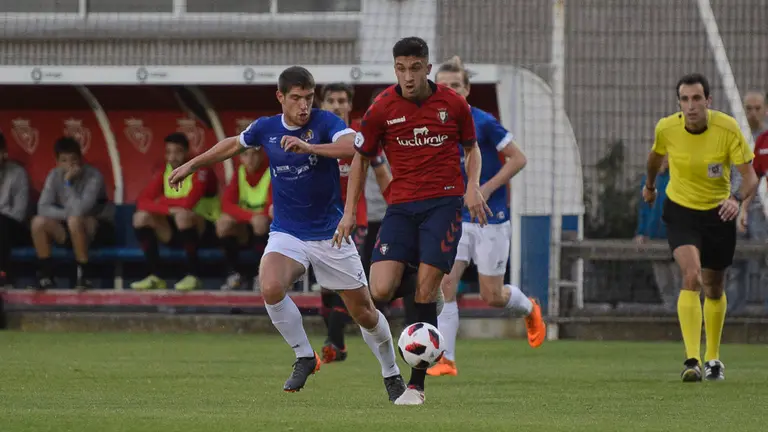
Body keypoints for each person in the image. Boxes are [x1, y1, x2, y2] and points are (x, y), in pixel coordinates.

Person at [166, 66, 406, 401]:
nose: (304, 105)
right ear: (280, 97)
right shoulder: (265, 127)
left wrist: (311, 149)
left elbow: (354, 147)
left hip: (329, 235)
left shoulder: (325, 123)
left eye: (308, 98)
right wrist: (192, 164)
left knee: (364, 312)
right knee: (270, 285)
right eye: (296, 98)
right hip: (288, 233)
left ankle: (391, 373)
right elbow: (233, 145)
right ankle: (305, 355)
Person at [335, 37, 490, 405]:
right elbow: (360, 158)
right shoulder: (381, 108)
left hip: (444, 205)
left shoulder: (453, 104)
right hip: (402, 208)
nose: (407, 76)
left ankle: (416, 386)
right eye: (401, 69)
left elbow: (472, 149)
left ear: (427, 68)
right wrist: (347, 211)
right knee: (381, 289)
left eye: (414, 68)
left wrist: (472, 187)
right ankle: (428, 281)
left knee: (421, 292)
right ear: (395, 69)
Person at [427, 56, 545, 378]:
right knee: (446, 283)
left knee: (491, 296)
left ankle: (530, 308)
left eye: (455, 86)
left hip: (490, 219)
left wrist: (486, 188)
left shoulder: (484, 122)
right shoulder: (433, 125)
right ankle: (446, 360)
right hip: (454, 218)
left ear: (466, 90)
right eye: (443, 86)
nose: (449, 91)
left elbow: (518, 159)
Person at [643, 73, 757, 382]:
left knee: (714, 287)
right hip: (680, 210)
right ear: (679, 102)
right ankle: (691, 360)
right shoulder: (667, 128)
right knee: (690, 275)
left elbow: (750, 178)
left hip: (718, 213)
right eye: (684, 99)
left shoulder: (727, 129)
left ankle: (713, 359)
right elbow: (654, 158)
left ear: (708, 101)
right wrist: (650, 186)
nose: (691, 106)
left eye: (696, 99)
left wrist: (735, 199)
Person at [317, 82, 393, 364]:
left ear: (350, 105)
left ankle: (333, 341)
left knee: (346, 281)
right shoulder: (315, 138)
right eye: (331, 101)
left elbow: (382, 171)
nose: (337, 105)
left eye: (342, 100)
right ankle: (338, 345)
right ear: (323, 105)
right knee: (326, 288)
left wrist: (396, 203)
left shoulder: (363, 137)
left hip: (355, 221)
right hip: (319, 224)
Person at [131, 133, 220, 291]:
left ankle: (194, 275)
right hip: (176, 230)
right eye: (168, 152)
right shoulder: (164, 171)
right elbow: (142, 201)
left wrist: (162, 202)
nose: (172, 157)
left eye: (177, 152)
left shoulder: (200, 168)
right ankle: (155, 275)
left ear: (186, 152)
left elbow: (189, 203)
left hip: (205, 230)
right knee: (140, 217)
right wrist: (168, 208)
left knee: (183, 216)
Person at [32, 137, 114, 290]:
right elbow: (43, 207)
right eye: (64, 160)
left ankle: (84, 274)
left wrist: (68, 183)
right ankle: (46, 275)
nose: (69, 165)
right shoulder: (54, 175)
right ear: (57, 162)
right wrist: (65, 214)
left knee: (75, 220)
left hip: (98, 228)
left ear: (81, 159)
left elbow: (81, 210)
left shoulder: (94, 176)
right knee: (38, 222)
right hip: (70, 227)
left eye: (73, 160)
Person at [217, 147, 273, 291]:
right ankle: (234, 274)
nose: (250, 159)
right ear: (240, 157)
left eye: (254, 154)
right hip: (248, 224)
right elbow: (226, 204)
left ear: (261, 154)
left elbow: (274, 206)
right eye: (246, 155)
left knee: (260, 223)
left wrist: (257, 217)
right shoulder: (240, 172)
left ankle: (261, 275)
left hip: (269, 227)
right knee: (223, 223)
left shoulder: (271, 171)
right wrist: (250, 217)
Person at [635, 156, 680, 310]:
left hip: (675, 236)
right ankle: (669, 310)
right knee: (663, 279)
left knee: (678, 277)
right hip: (654, 236)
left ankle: (681, 313)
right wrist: (642, 232)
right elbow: (644, 209)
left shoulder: (678, 178)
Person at [0, 132, 30, 287]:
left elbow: (19, 213)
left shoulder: (18, 173)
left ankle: (3, 274)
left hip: (14, 229)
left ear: (3, 153)